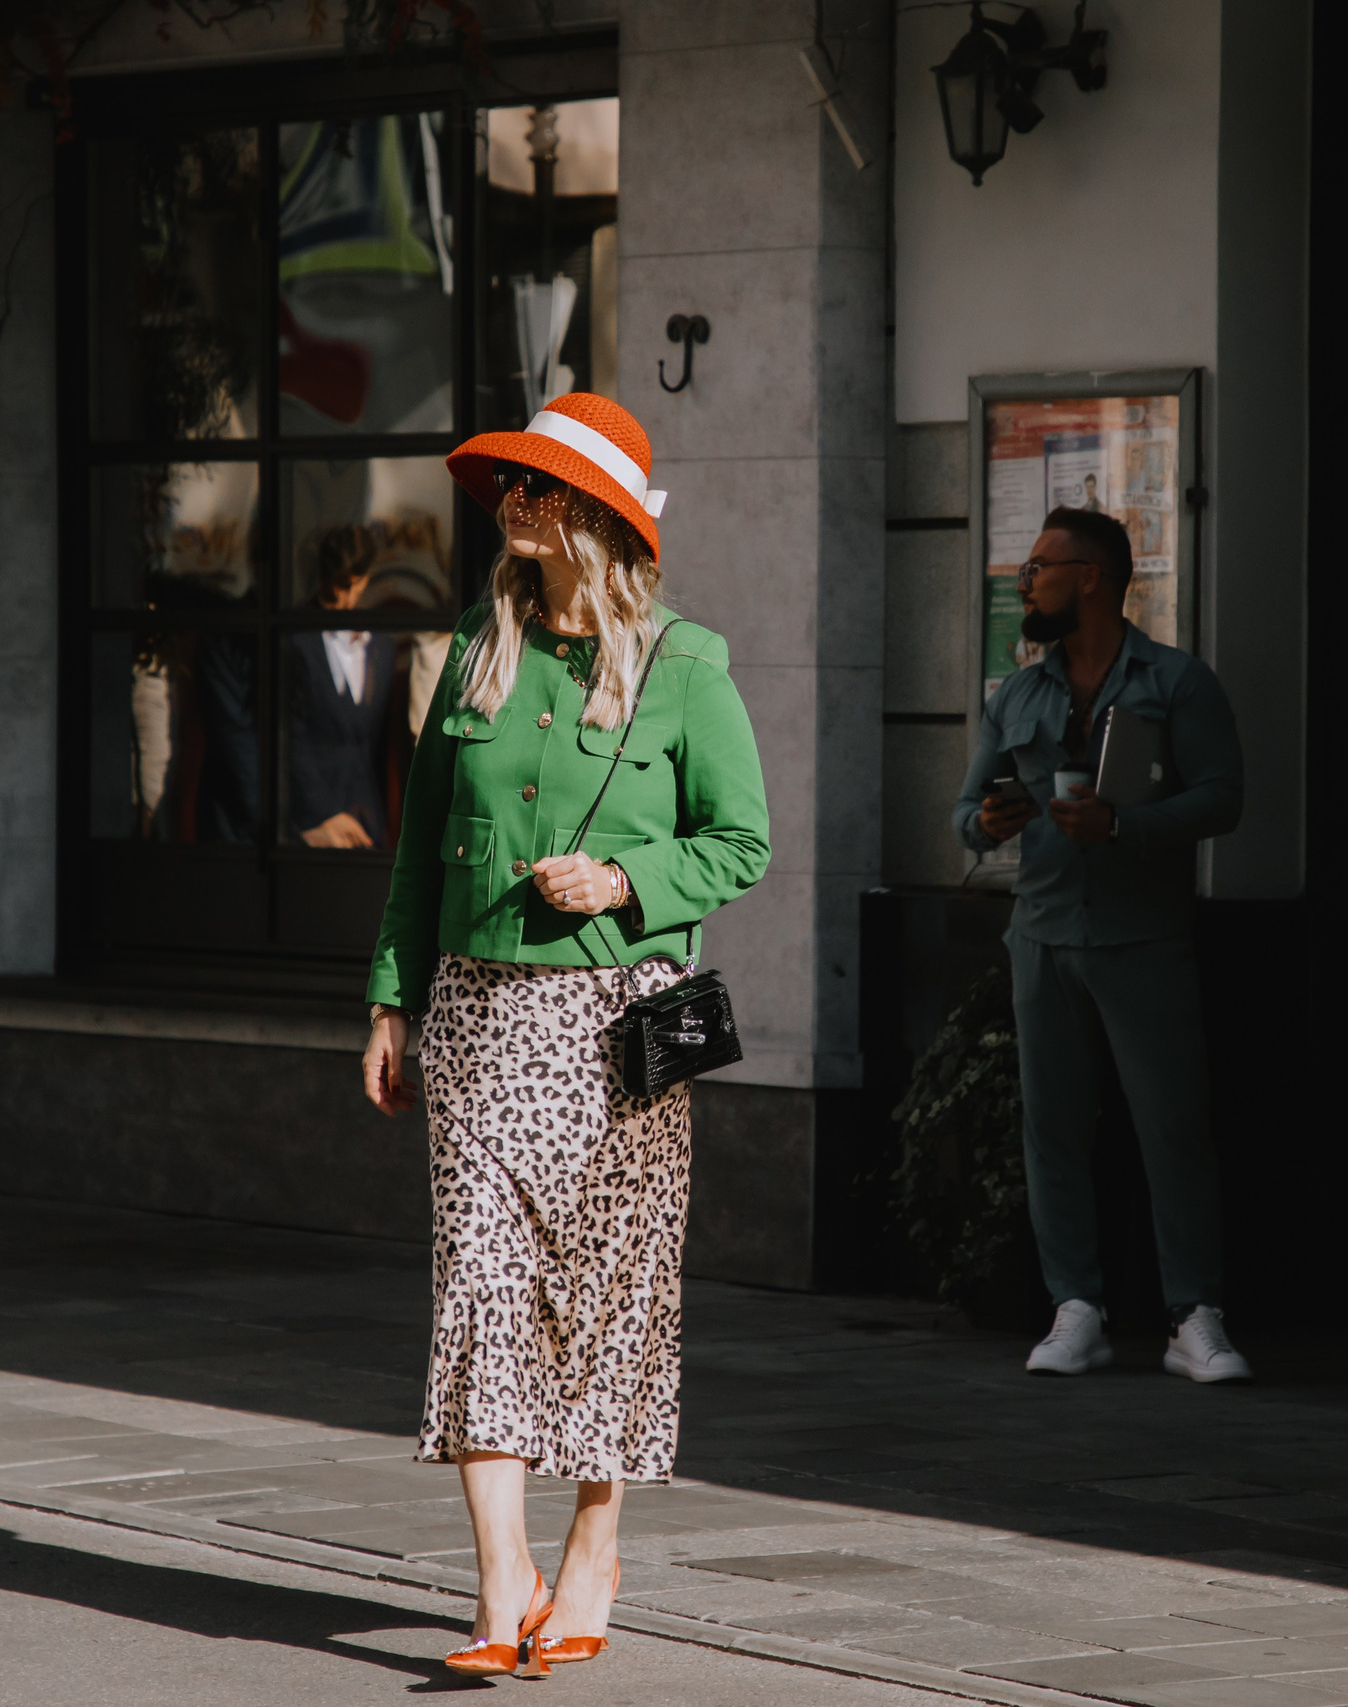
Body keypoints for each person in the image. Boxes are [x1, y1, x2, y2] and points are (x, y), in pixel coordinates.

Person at [362, 393, 768, 1677]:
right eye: (510, 489)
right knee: (480, 1286)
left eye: (534, 489)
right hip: (480, 1019)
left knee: (611, 1293)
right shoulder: (480, 652)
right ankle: (498, 1584)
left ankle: (592, 1545)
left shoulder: (686, 666)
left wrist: (627, 880)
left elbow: (740, 842)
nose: (510, 507)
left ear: (593, 515)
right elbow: (419, 849)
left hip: (618, 1027)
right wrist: (390, 997)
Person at [953, 506, 1249, 1384]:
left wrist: (1123, 823)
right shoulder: (1019, 694)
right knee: (1052, 1130)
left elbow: (1224, 799)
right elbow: (965, 815)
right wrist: (990, 819)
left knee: (1172, 1127)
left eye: (1040, 565)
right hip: (1041, 935)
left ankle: (1194, 1315)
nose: (1026, 580)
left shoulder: (1177, 683)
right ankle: (1075, 1308)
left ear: (1090, 576)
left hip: (1141, 938)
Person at [285, 527, 394, 849]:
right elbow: (290, 735)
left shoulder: (383, 647)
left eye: (350, 585)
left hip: (368, 818)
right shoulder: (296, 638)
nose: (340, 599)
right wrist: (320, 814)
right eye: (334, 585)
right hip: (309, 822)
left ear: (366, 579)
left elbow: (379, 743)